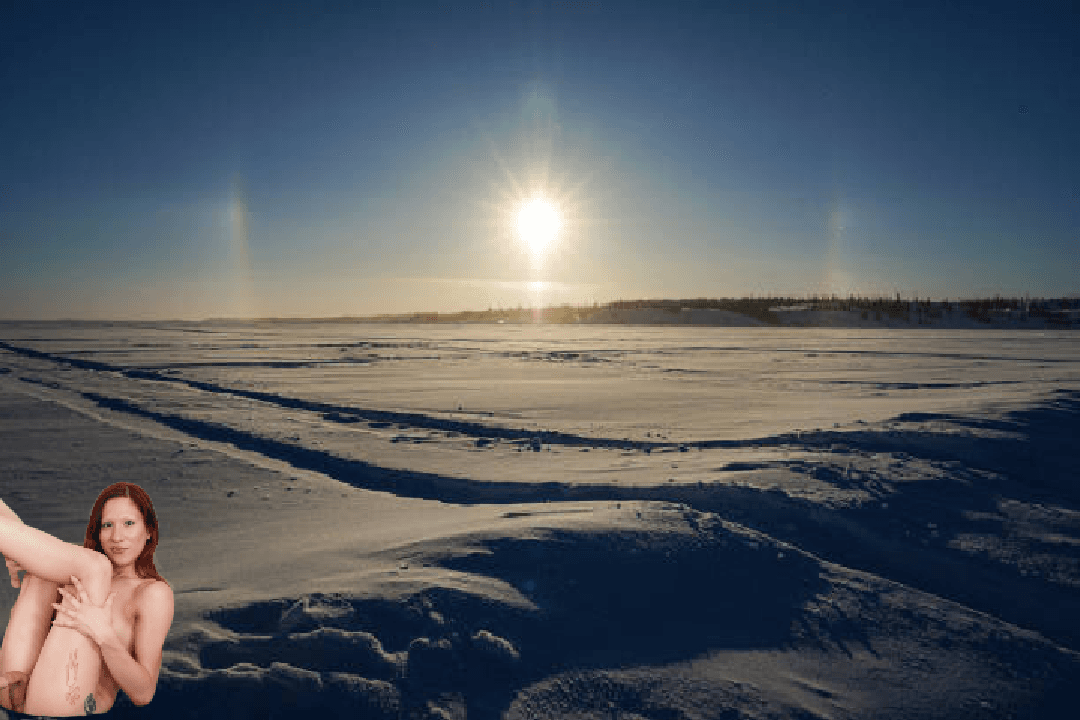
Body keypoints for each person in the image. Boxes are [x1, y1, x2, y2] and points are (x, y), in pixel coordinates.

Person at [0, 483, 173, 716]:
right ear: (98, 532)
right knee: (43, 572)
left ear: (149, 530)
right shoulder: (78, 576)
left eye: (129, 523)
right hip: (17, 688)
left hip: (73, 704)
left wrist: (104, 634)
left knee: (93, 567)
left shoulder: (151, 593)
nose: (117, 537)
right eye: (107, 525)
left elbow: (144, 694)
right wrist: (19, 555)